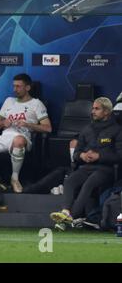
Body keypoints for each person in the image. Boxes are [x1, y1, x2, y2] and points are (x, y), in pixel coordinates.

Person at [50, 97, 122, 231]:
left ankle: (71, 216)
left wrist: (99, 156)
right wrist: (81, 155)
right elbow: (77, 152)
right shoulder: (87, 129)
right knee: (70, 180)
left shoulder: (117, 130)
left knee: (89, 183)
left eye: (97, 109)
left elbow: (119, 155)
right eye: (93, 108)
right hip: (87, 167)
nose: (93, 111)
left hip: (106, 170)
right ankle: (65, 212)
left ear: (106, 112)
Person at [0, 74, 52, 193]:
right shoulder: (9, 101)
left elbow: (48, 128)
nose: (14, 89)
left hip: (23, 137)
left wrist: (28, 124)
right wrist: (3, 123)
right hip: (3, 137)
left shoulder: (36, 104)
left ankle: (14, 178)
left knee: (18, 140)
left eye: (18, 86)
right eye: (14, 86)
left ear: (27, 88)